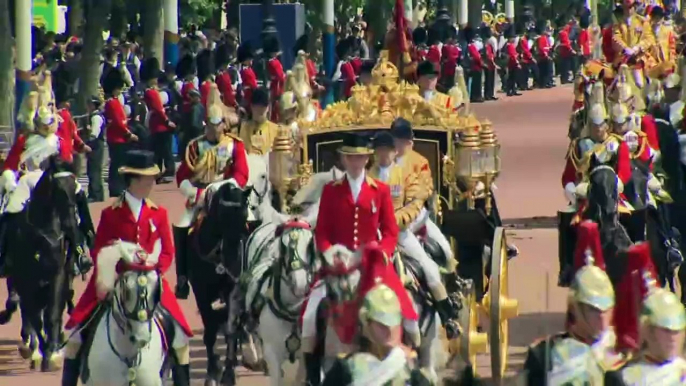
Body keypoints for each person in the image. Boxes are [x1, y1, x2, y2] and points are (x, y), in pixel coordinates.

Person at [62, 150, 194, 386]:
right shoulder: (110, 214)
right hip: (115, 280)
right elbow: (99, 249)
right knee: (74, 337)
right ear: (134, 179)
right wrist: (114, 274)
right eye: (147, 178)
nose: (151, 183)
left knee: (180, 338)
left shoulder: (159, 213)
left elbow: (167, 252)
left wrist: (154, 269)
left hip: (151, 280)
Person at [300, 132, 410, 386]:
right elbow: (323, 232)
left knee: (401, 305)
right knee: (309, 316)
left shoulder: (379, 190)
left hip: (371, 264)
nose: (355, 163)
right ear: (343, 160)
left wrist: (381, 251)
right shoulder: (331, 190)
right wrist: (329, 253)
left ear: (366, 159)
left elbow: (391, 231)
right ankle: (311, 374)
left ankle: (408, 353)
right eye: (350, 158)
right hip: (337, 265)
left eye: (359, 158)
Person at [368, 131, 460, 338]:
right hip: (374, 237)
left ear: (394, 153)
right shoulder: (368, 177)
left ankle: (448, 318)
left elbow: (414, 205)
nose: (383, 156)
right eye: (379, 151)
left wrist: (393, 221)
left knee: (429, 270)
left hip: (401, 234)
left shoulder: (407, 175)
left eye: (387, 151)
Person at [519, 221, 626, 384]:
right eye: (593, 310)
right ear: (575, 308)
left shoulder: (622, 354)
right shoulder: (544, 356)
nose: (602, 318)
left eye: (607, 309)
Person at [605, 249, 686, 384]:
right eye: (665, 330)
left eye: (677, 331)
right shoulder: (624, 379)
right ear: (648, 330)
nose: (672, 337)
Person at [103, 68, 139, 197]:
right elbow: (118, 122)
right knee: (117, 165)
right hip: (117, 138)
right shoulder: (111, 103)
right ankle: (115, 188)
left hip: (120, 137)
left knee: (120, 164)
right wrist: (128, 134)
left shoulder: (115, 101)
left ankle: (118, 186)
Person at [141, 57, 177, 183]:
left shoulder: (150, 91)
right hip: (161, 125)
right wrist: (167, 121)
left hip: (157, 125)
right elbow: (159, 110)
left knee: (160, 151)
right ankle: (167, 171)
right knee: (164, 151)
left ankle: (164, 172)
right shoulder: (152, 92)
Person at [613, 0, 656, 88]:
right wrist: (625, 48)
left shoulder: (642, 21)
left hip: (639, 58)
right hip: (623, 58)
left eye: (631, 7)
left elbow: (649, 38)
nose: (629, 9)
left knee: (640, 83)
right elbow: (615, 38)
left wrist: (639, 47)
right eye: (627, 7)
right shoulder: (618, 23)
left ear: (635, 7)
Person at [239, 87, 280, 155]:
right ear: (252, 106)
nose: (261, 109)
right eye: (258, 105)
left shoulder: (275, 129)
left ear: (268, 108)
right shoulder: (244, 128)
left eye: (264, 106)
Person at [83, 96, 106, 202]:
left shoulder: (95, 117)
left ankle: (95, 194)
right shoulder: (94, 116)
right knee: (94, 169)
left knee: (94, 170)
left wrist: (87, 141)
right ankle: (97, 193)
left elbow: (94, 134)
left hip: (96, 145)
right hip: (97, 145)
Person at [264, 36, 285, 122]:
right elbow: (280, 75)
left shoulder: (270, 61)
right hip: (278, 85)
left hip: (274, 84)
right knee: (277, 104)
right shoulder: (274, 62)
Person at [464, 27, 484, 103]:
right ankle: (476, 96)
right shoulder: (471, 46)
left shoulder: (470, 45)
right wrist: (481, 62)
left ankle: (476, 96)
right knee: (476, 82)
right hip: (475, 66)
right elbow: (476, 57)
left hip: (475, 66)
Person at [237, 42, 258, 112]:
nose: (251, 62)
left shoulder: (243, 70)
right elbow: (253, 87)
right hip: (249, 101)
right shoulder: (247, 71)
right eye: (249, 60)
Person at [503, 26, 522, 96]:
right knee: (511, 78)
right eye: (512, 38)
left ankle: (513, 90)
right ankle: (509, 90)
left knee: (514, 78)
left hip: (512, 64)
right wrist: (517, 63)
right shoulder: (509, 46)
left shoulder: (511, 45)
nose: (514, 39)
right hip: (512, 64)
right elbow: (512, 56)